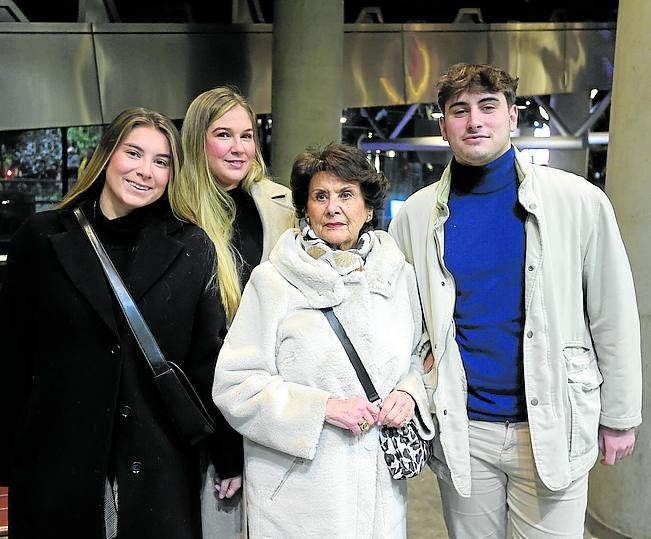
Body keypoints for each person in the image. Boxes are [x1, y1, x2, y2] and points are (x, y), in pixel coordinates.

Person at [389, 62, 643, 538]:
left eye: (488, 107)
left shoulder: (578, 201)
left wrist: (620, 415)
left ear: (513, 117)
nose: (474, 121)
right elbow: (405, 324)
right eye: (459, 111)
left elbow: (613, 313)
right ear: (443, 127)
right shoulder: (417, 215)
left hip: (553, 421)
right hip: (463, 426)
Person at [0, 107, 241, 539]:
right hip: (56, 467)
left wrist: (228, 455)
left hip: (156, 471)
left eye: (161, 161)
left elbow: (208, 361)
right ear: (107, 155)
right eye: (134, 153)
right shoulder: (40, 240)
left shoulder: (191, 247)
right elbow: (11, 357)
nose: (145, 171)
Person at [212, 142, 435, 538]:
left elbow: (419, 356)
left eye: (346, 195)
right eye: (320, 196)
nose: (333, 207)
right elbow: (235, 385)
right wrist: (323, 408)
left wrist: (411, 392)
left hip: (382, 495)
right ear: (306, 210)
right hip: (300, 497)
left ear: (368, 208)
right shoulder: (273, 282)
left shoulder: (397, 276)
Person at [172, 86, 295, 536]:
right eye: (224, 134)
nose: (239, 148)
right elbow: (197, 347)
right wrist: (225, 447)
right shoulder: (176, 215)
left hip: (273, 401)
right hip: (206, 416)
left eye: (247, 135)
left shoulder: (279, 206)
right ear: (198, 141)